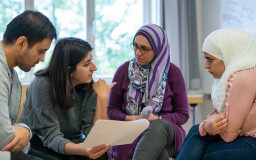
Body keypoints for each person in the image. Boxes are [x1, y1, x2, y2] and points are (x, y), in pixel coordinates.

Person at [19, 37, 116, 160]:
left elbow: (97, 137)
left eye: (91, 60)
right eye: (87, 64)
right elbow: (51, 137)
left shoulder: (88, 86)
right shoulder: (42, 84)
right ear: (68, 69)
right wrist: (83, 150)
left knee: (101, 155)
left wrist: (102, 98)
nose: (94, 68)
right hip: (39, 142)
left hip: (72, 140)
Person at [107, 24, 189, 160]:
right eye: (135, 46)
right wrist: (130, 118)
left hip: (166, 129)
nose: (137, 53)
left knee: (157, 128)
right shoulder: (123, 71)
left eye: (144, 49)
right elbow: (111, 109)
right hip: (131, 128)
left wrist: (158, 118)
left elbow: (183, 115)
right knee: (156, 150)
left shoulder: (173, 73)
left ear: (158, 50)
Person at [175, 29, 256, 160]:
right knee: (197, 137)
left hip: (252, 143)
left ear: (228, 54)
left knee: (200, 145)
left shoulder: (243, 77)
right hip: (247, 138)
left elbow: (229, 133)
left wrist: (205, 127)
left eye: (210, 60)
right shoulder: (246, 71)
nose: (206, 66)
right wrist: (207, 126)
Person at [0, 10, 57, 160]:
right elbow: (5, 138)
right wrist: (25, 131)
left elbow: (15, 130)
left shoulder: (12, 75)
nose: (43, 59)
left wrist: (25, 131)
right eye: (41, 51)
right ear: (21, 43)